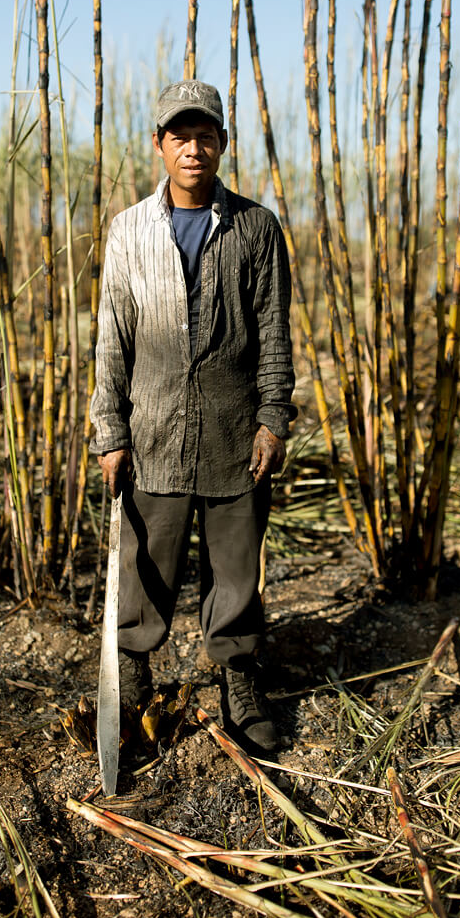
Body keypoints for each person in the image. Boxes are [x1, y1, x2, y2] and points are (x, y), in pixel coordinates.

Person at [90, 79, 295, 752]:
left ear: (222, 144)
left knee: (235, 569)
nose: (193, 147)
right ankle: (133, 675)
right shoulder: (127, 232)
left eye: (205, 134)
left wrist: (273, 418)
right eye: (180, 135)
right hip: (153, 431)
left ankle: (237, 675)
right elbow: (111, 337)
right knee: (146, 564)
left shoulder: (256, 228)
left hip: (237, 435)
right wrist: (110, 433)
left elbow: (273, 333)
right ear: (159, 145)